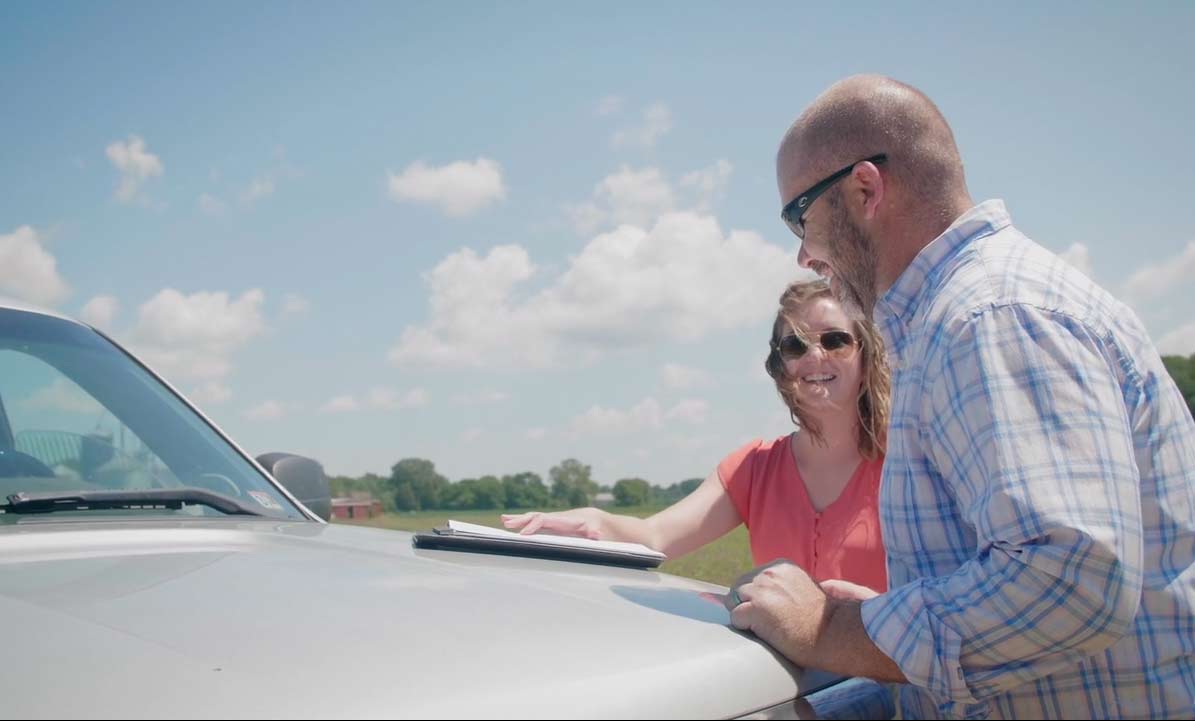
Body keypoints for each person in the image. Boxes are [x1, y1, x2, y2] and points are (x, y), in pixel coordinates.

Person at [727, 74, 1195, 719]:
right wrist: (879, 626)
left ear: (866, 188)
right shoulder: (962, 315)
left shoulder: (990, 316)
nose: (804, 254)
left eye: (799, 217)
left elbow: (1066, 582)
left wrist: (833, 631)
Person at [503, 277, 892, 593]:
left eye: (835, 340)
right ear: (781, 365)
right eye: (796, 345)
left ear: (866, 353)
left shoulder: (906, 459)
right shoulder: (754, 470)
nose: (815, 356)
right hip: (789, 684)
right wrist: (593, 520)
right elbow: (655, 537)